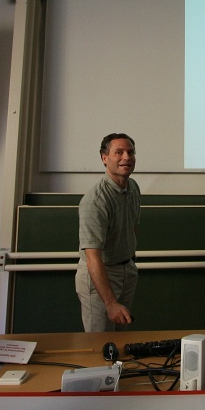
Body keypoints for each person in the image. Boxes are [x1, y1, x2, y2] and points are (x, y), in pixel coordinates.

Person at [75, 133, 141, 332]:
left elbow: (132, 228)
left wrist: (129, 265)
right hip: (101, 275)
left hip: (127, 271)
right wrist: (110, 303)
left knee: (121, 341)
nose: (126, 157)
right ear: (105, 158)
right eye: (119, 152)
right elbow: (92, 257)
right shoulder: (95, 201)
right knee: (101, 342)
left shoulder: (133, 187)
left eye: (130, 152)